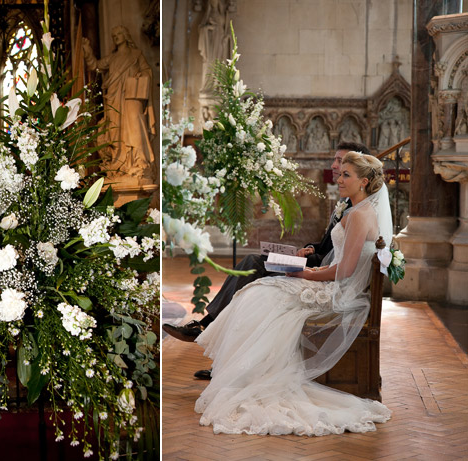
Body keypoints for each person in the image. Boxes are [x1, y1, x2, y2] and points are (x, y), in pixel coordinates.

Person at [194, 151, 393, 435]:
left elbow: (345, 270)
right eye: (341, 173)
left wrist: (307, 274)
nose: (339, 178)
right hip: (333, 284)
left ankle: (249, 377)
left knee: (260, 294)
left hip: (339, 293)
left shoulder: (361, 215)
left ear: (363, 182)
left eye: (346, 174)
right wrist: (308, 270)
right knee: (257, 292)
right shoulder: (356, 211)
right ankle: (242, 374)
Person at [163, 142, 371, 352]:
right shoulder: (348, 201)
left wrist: (309, 267)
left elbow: (344, 258)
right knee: (255, 261)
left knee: (253, 265)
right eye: (336, 161)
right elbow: (332, 243)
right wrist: (311, 247)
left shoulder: (357, 209)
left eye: (341, 163)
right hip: (316, 260)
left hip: (319, 269)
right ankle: (212, 332)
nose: (335, 166)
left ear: (361, 176)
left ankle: (207, 326)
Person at [82, 26, 156, 184]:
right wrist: (87, 50)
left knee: (135, 126)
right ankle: (119, 166)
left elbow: (147, 71)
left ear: (126, 35)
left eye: (119, 34)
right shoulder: (112, 58)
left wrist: (139, 76)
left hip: (131, 96)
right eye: (113, 35)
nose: (116, 37)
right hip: (114, 99)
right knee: (115, 131)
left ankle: (138, 162)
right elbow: (94, 65)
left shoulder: (136, 54)